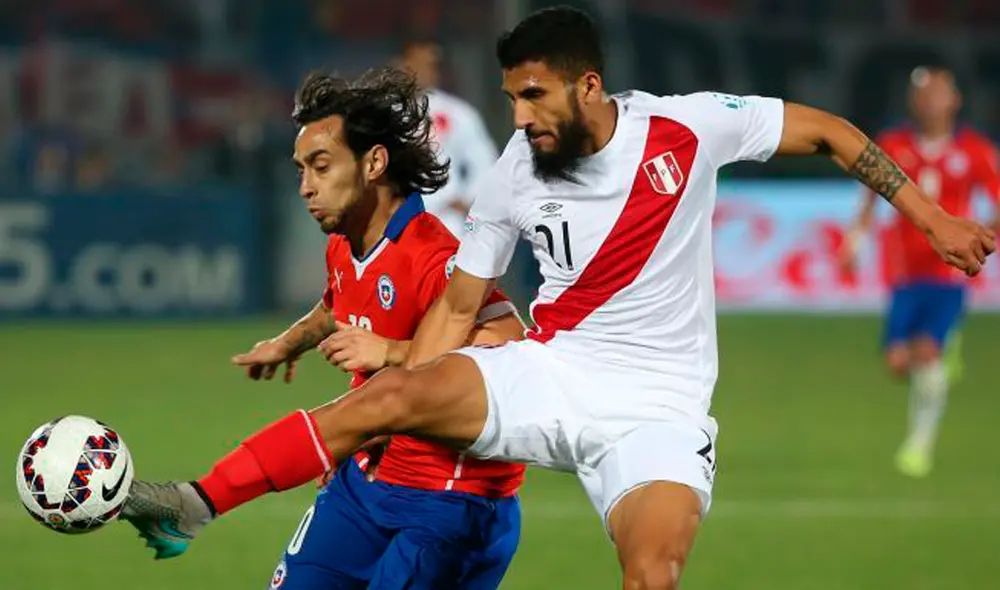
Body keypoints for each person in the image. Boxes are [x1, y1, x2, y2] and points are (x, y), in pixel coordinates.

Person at [124, 8, 995, 590]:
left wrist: (932, 219)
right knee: (384, 399)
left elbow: (831, 134)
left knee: (652, 571)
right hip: (554, 371)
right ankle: (198, 501)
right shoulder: (515, 170)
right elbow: (458, 307)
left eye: (533, 95)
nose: (520, 115)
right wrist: (402, 383)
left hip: (657, 404)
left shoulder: (688, 127)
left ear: (587, 87)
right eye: (510, 97)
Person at [124, 68, 526, 590]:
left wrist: (390, 350)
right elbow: (336, 305)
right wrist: (288, 343)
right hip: (364, 481)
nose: (306, 187)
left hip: (450, 502)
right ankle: (195, 504)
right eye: (300, 171)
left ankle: (193, 503)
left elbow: (508, 340)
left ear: (374, 163)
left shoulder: (433, 256)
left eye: (321, 166)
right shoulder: (344, 245)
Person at [840, 66, 1000, 478]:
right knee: (897, 362)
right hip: (904, 273)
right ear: (913, 102)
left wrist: (980, 238)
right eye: (924, 95)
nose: (931, 102)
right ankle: (944, 354)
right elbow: (869, 200)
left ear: (955, 100)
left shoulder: (975, 151)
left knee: (928, 352)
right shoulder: (894, 145)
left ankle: (919, 445)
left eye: (939, 94)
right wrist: (854, 241)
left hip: (949, 275)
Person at [397, 38, 499, 237]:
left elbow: (485, 161)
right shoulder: (388, 113)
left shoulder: (458, 113)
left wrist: (468, 198)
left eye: (430, 64)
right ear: (403, 64)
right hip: (399, 220)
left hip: (446, 220)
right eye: (416, 63)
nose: (422, 70)